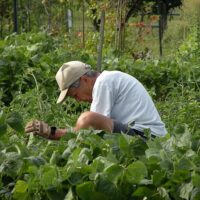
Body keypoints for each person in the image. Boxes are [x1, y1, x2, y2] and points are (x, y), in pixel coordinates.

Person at [25, 61, 167, 140]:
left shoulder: (103, 82)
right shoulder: (109, 79)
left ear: (84, 80)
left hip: (149, 138)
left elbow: (88, 131)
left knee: (87, 118)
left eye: (75, 95)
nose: (78, 100)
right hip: (147, 136)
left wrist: (51, 132)